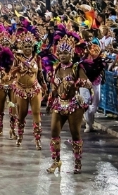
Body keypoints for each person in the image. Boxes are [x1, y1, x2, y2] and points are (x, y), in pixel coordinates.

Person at [46, 33, 91, 174]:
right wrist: (49, 101)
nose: (62, 56)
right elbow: (54, 87)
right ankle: (56, 161)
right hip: (59, 104)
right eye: (60, 53)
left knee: (75, 134)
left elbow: (88, 83)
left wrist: (77, 82)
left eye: (65, 53)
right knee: (54, 132)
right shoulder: (56, 68)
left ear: (71, 53)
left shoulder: (77, 67)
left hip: (73, 105)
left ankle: (77, 162)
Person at [9, 25, 42, 149]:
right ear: (22, 47)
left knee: (36, 114)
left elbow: (40, 74)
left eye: (30, 46)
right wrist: (18, 68)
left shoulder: (37, 58)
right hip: (21, 89)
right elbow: (12, 72)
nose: (28, 49)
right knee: (21, 115)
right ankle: (20, 136)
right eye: (25, 46)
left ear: (32, 47)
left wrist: (45, 85)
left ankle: (37, 140)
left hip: (35, 89)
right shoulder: (17, 59)